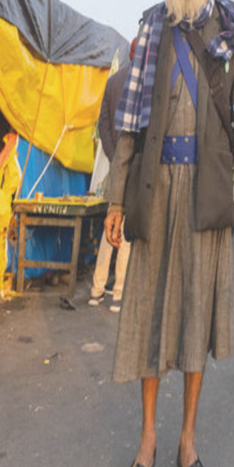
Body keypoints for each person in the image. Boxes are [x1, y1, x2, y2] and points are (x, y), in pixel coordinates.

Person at [103, 0, 234, 467]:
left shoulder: (230, 30)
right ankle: (147, 438)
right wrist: (116, 199)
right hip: (154, 190)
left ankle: (186, 440)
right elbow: (129, 124)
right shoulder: (150, 29)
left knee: (196, 313)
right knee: (148, 312)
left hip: (205, 192)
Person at [88, 59, 131, 312]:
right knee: (125, 231)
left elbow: (102, 122)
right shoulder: (142, 80)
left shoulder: (113, 81)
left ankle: (96, 289)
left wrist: (113, 153)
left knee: (110, 225)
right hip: (132, 164)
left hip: (115, 160)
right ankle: (118, 293)